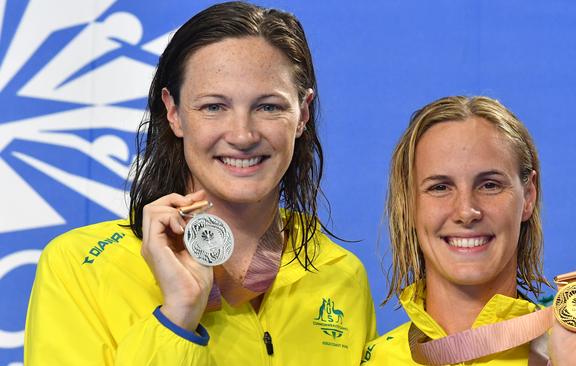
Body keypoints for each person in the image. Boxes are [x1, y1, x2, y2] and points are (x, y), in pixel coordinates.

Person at [24, 2, 376, 364]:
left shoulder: (339, 274)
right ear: (173, 113)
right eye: (213, 106)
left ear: (302, 114)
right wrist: (178, 315)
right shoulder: (80, 268)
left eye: (268, 107)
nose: (242, 134)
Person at [361, 96, 576, 365]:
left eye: (490, 185)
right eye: (439, 187)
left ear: (528, 196)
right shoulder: (374, 360)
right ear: (410, 205)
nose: (466, 211)